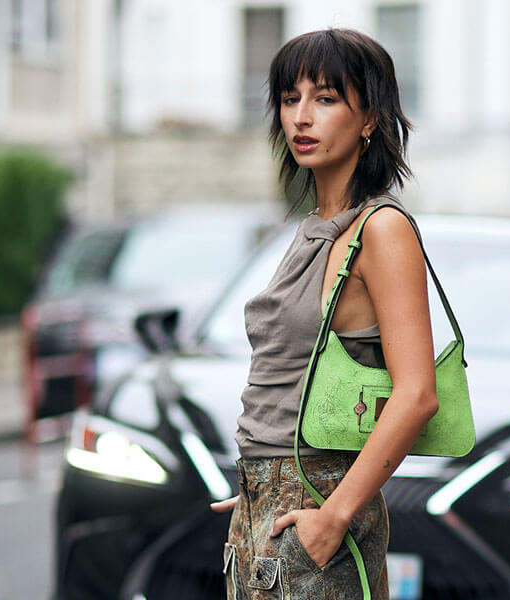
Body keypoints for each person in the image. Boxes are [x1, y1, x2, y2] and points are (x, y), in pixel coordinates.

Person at [211, 28, 437, 599]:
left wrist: (332, 514)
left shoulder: (380, 230)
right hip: (264, 503)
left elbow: (416, 395)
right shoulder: (312, 226)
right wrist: (262, 486)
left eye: (326, 98)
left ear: (369, 119)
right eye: (291, 99)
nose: (301, 118)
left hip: (319, 513)